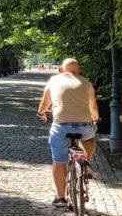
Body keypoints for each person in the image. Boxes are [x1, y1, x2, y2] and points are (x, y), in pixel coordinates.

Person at [37, 57, 99, 206]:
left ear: (61, 70)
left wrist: (41, 114)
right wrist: (96, 119)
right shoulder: (86, 83)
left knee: (59, 161)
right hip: (84, 125)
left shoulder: (54, 81)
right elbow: (93, 107)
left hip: (61, 126)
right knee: (90, 138)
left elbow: (45, 103)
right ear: (78, 71)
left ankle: (60, 198)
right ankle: (85, 163)